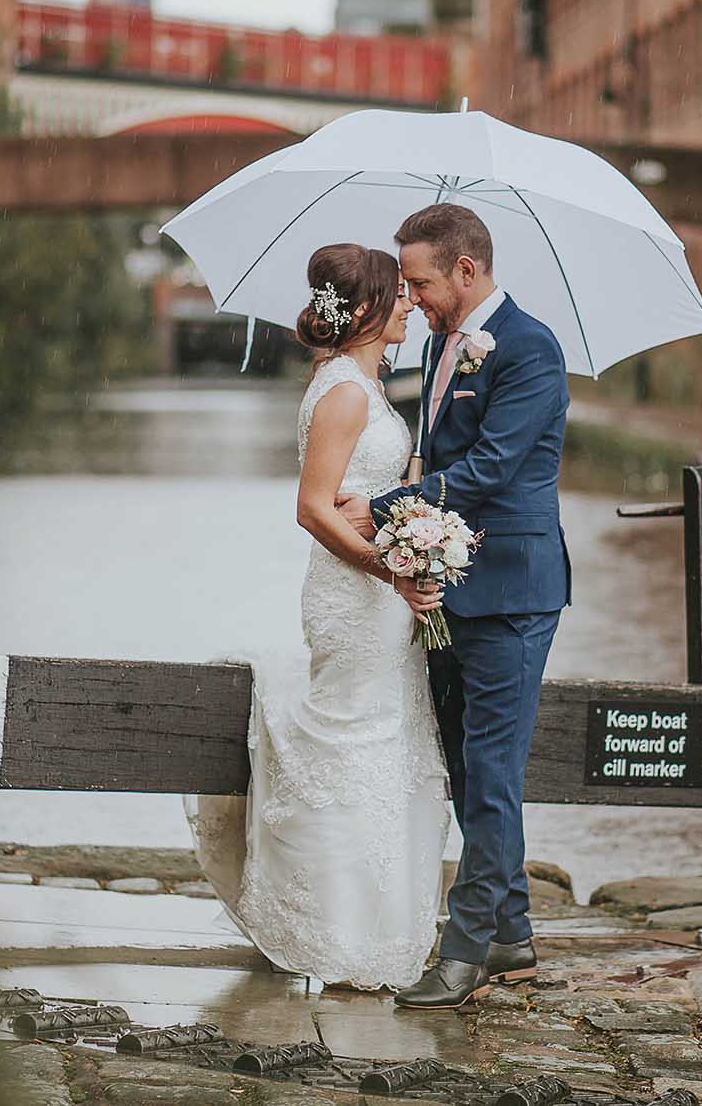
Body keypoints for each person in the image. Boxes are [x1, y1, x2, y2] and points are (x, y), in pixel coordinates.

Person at [186, 242, 452, 990]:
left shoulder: (365, 384)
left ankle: (370, 928)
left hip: (382, 598)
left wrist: (417, 511)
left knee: (386, 747)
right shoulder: (342, 392)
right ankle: (333, 928)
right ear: (365, 309)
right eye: (397, 295)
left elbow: (367, 494)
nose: (408, 305)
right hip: (354, 595)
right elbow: (310, 507)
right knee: (354, 745)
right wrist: (388, 568)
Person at [336, 202, 572, 1010]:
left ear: (466, 271)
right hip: (449, 588)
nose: (413, 295)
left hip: (513, 591)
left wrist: (384, 505)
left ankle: (465, 950)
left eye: (423, 280)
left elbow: (494, 469)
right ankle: (511, 932)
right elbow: (444, 453)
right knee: (468, 769)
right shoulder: (441, 343)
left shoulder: (532, 349)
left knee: (495, 773)